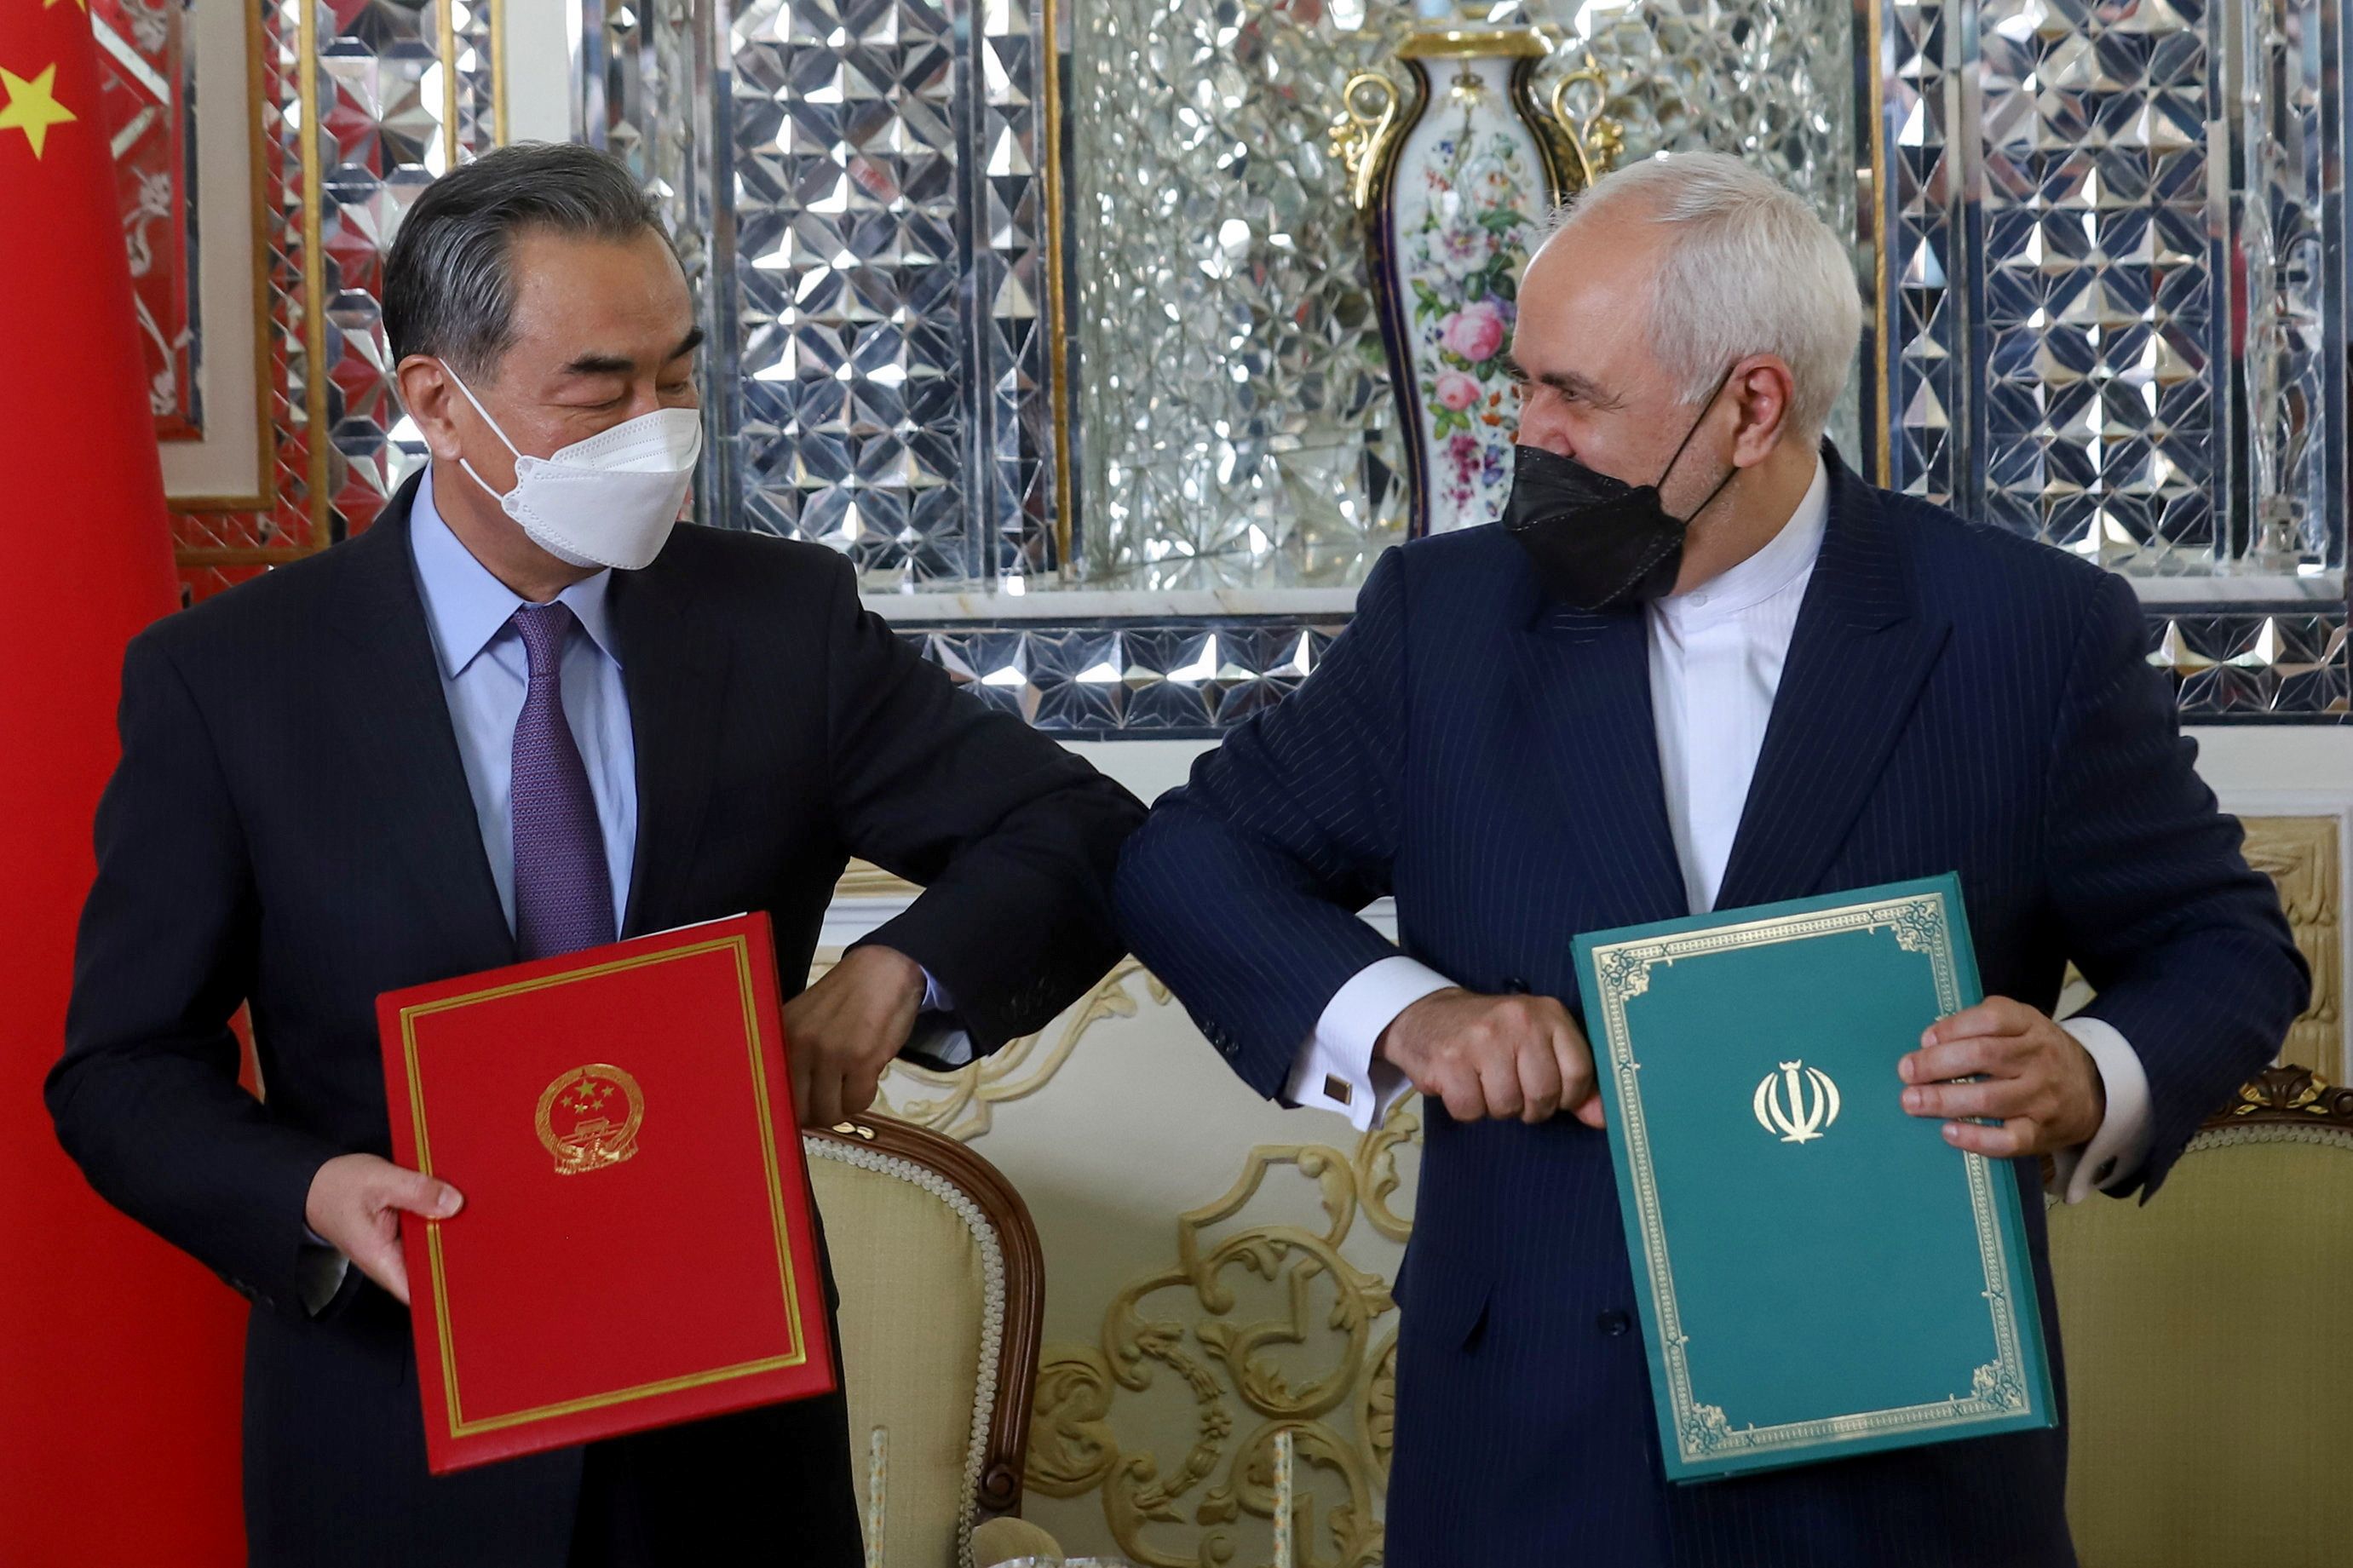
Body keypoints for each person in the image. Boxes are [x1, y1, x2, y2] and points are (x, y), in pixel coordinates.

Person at [1113, 152, 2307, 1565]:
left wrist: (2089, 1073)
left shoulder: (2025, 630)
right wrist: (1411, 1016)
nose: (1526, 435)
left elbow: (2222, 948)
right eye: (1523, 384)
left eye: (1575, 396)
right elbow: (1188, 857)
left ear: (1751, 406)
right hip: (1527, 1448)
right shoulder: (1444, 619)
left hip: (1900, 1464)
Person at [48, 141, 1144, 1567]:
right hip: (393, 1433)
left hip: (728, 1445)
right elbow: (123, 1070)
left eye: (679, 375)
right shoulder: (232, 679)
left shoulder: (783, 625)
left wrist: (893, 978)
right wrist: (311, 1195)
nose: (660, 427)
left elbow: (1075, 825)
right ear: (438, 401)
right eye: (601, 387)